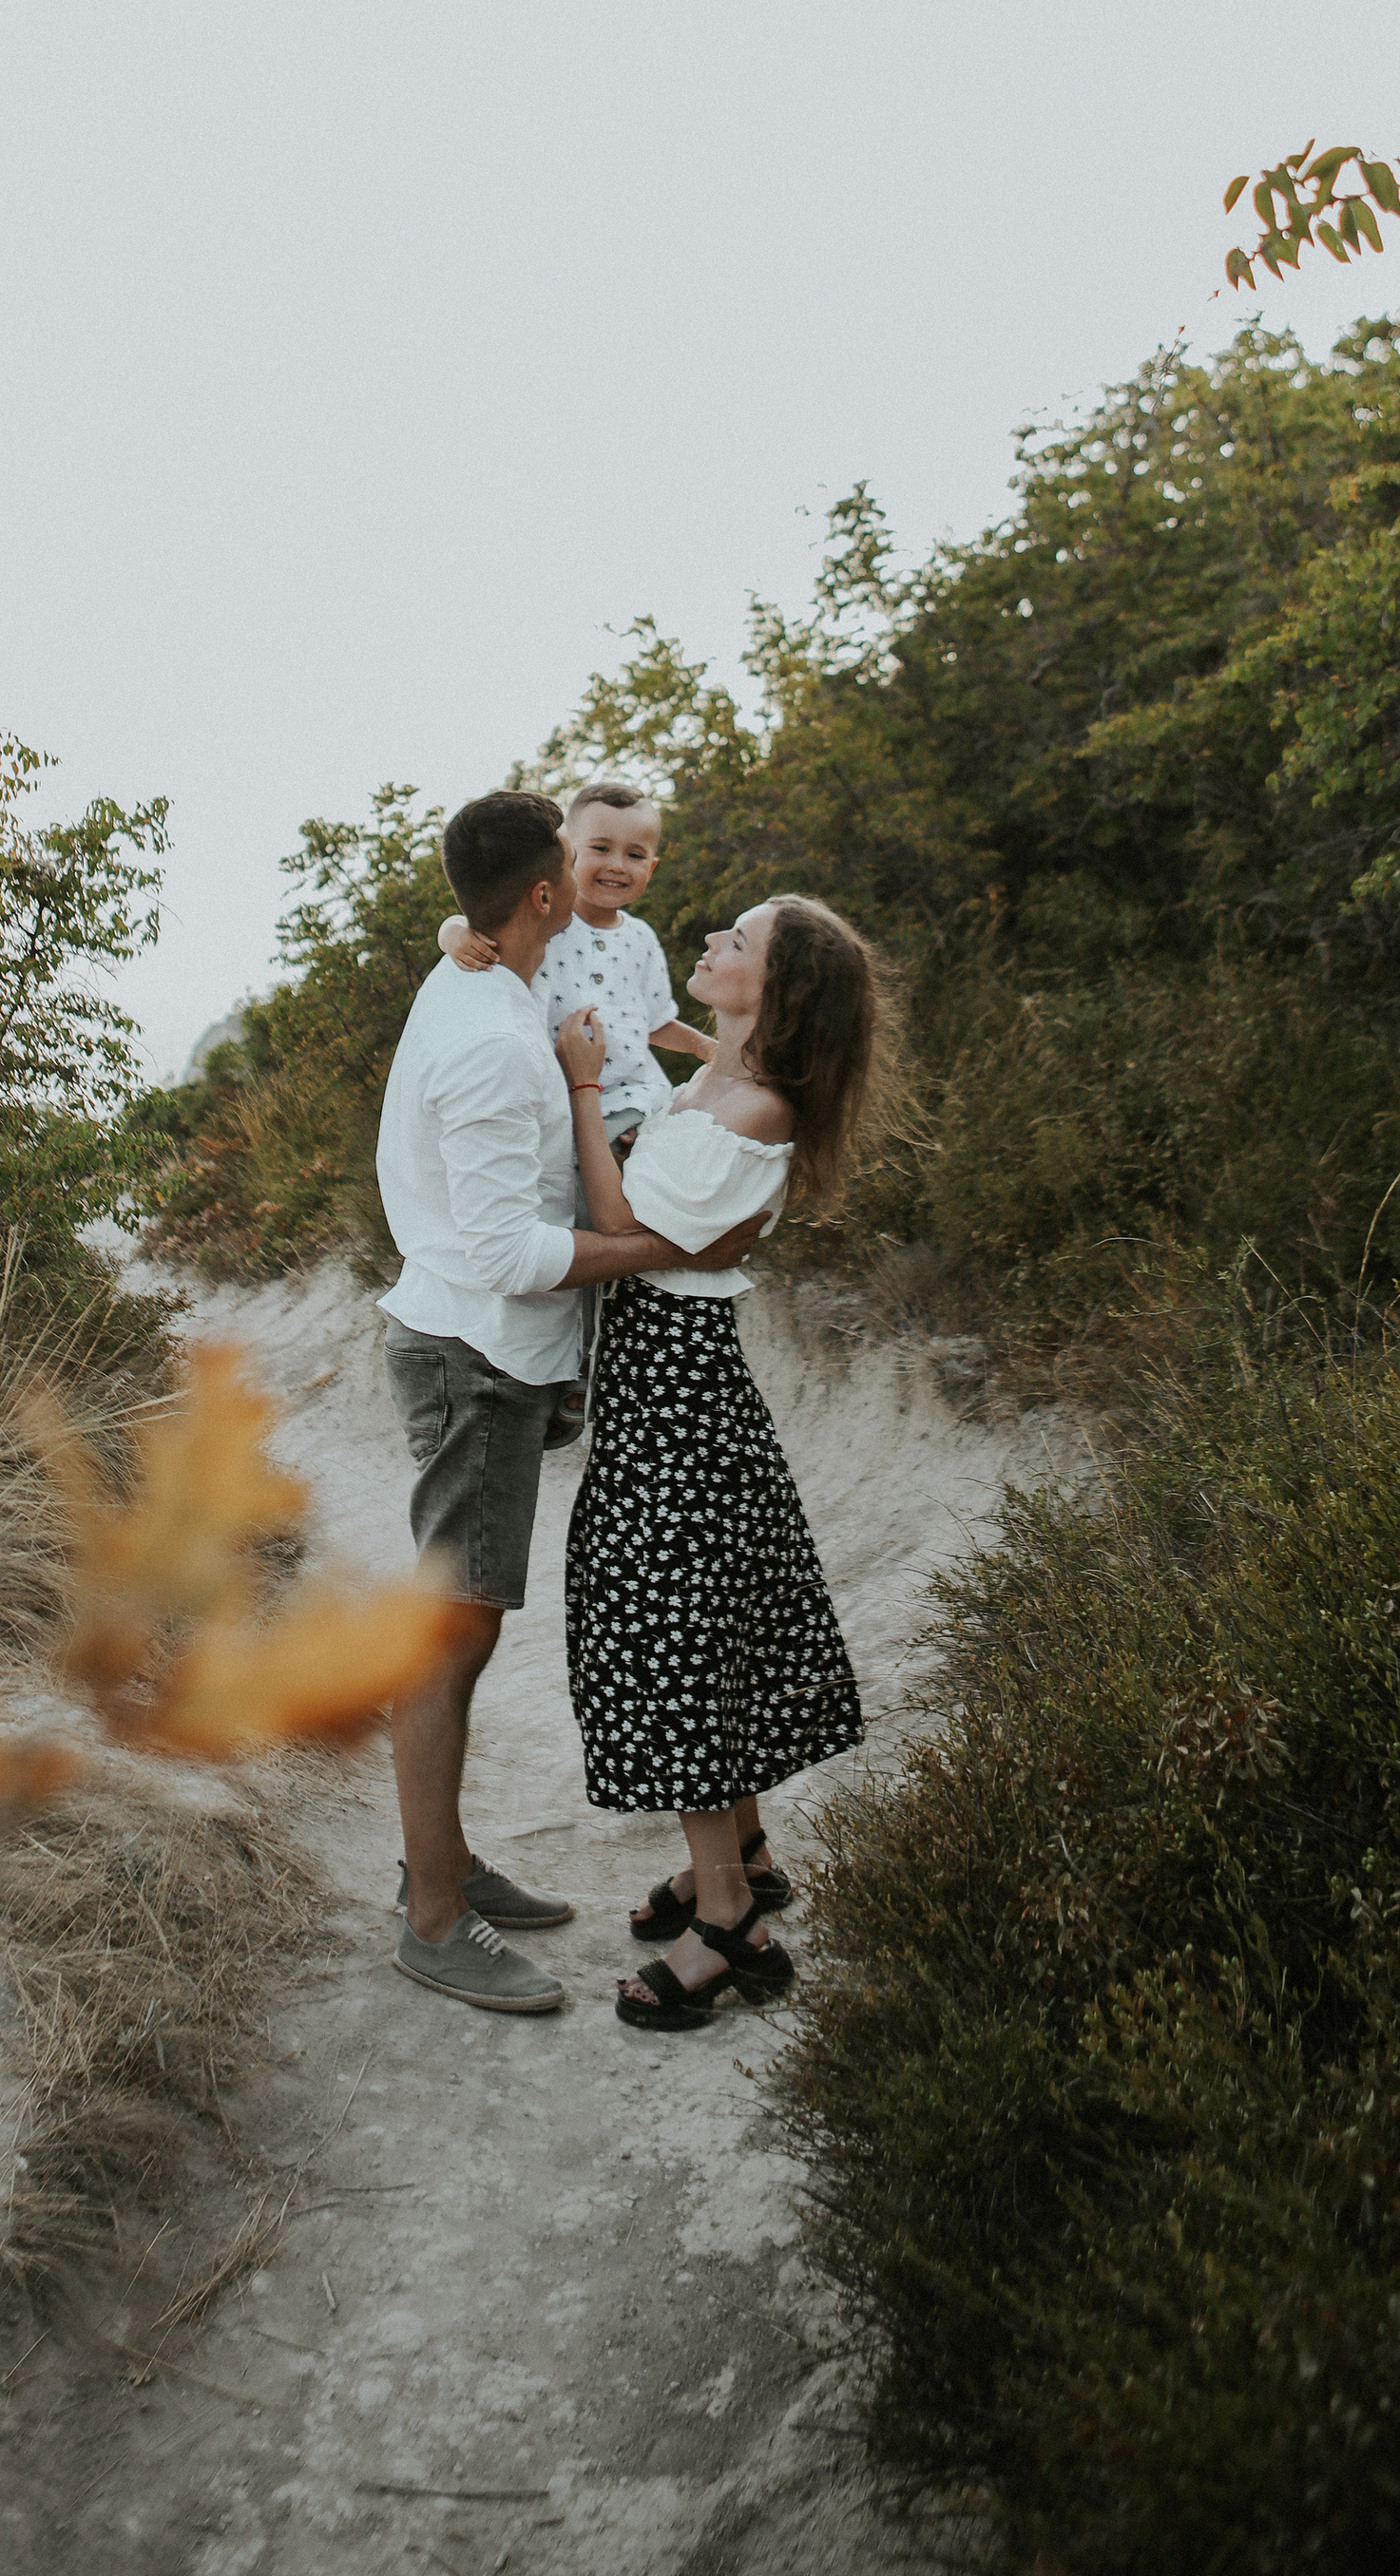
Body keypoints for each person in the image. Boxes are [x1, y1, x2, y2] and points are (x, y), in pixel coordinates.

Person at [375, 789, 774, 2015]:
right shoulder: (497, 1036)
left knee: (468, 1623)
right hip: (477, 1355)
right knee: (454, 1632)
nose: (603, 881)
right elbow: (510, 1253)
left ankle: (442, 1867)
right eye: (576, 866)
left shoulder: (487, 981)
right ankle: (434, 1917)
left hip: (492, 1350)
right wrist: (671, 1251)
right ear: (544, 895)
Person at [555, 893, 883, 2032]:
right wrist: (676, 1041)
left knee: (673, 1633)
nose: (706, 944)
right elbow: (700, 1073)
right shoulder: (726, 1079)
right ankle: (733, 1856)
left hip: (676, 1390)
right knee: (701, 1618)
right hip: (668, 1381)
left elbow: (615, 1217)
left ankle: (729, 1920)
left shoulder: (750, 1110)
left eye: (734, 943)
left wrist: (586, 1081)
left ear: (778, 989)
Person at [436, 779, 711, 1151]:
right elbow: (469, 919)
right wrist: (452, 934)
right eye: (600, 848)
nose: (617, 866)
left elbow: (654, 1021)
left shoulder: (641, 938)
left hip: (636, 1095)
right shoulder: (549, 920)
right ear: (570, 855)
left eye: (635, 855)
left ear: (652, 866)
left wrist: (701, 1046)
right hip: (563, 1095)